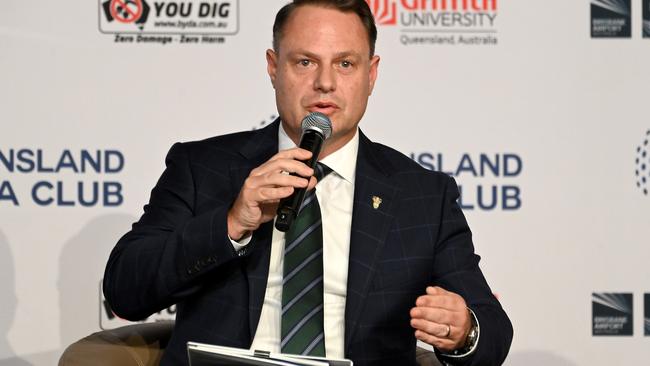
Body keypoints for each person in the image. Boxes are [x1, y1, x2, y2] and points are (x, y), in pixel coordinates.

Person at [103, 0, 513, 365]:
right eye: (305, 62)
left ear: (371, 75)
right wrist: (231, 224)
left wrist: (463, 331)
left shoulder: (422, 196)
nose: (325, 83)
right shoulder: (203, 168)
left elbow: (492, 331)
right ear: (273, 67)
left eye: (345, 63)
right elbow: (125, 291)